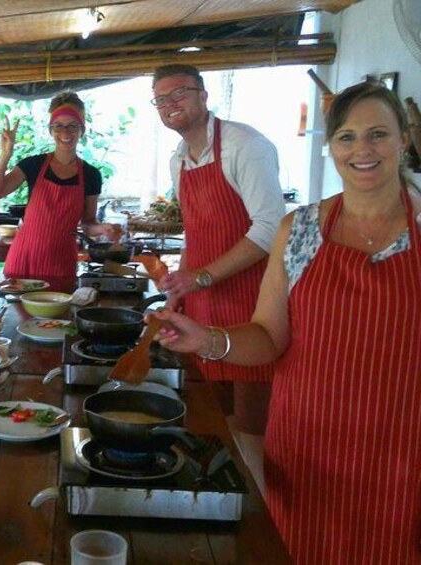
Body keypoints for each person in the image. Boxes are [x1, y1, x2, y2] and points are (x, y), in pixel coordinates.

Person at [154, 81, 421, 563]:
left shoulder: (244, 145)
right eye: (346, 137)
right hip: (305, 447)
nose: (362, 149)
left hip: (401, 452)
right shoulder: (298, 231)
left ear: (405, 138)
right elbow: (269, 337)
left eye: (378, 134)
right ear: (331, 147)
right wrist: (207, 339)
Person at [151, 64, 286, 484]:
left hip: (252, 306)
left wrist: (201, 277)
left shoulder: (245, 146)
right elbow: (195, 229)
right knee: (210, 416)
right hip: (204, 307)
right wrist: (179, 284)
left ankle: (261, 522)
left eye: (180, 93)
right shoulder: (179, 160)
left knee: (252, 428)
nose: (171, 104)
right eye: (161, 99)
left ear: (205, 96)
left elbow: (270, 229)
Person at [0, 92, 123, 292]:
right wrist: (5, 155)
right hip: (24, 258)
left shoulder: (91, 175)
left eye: (72, 126)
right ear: (51, 130)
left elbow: (88, 223)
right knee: (16, 319)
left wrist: (103, 229)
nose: (65, 132)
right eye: (58, 126)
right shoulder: (33, 164)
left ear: (82, 130)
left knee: (58, 320)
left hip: (61, 262)